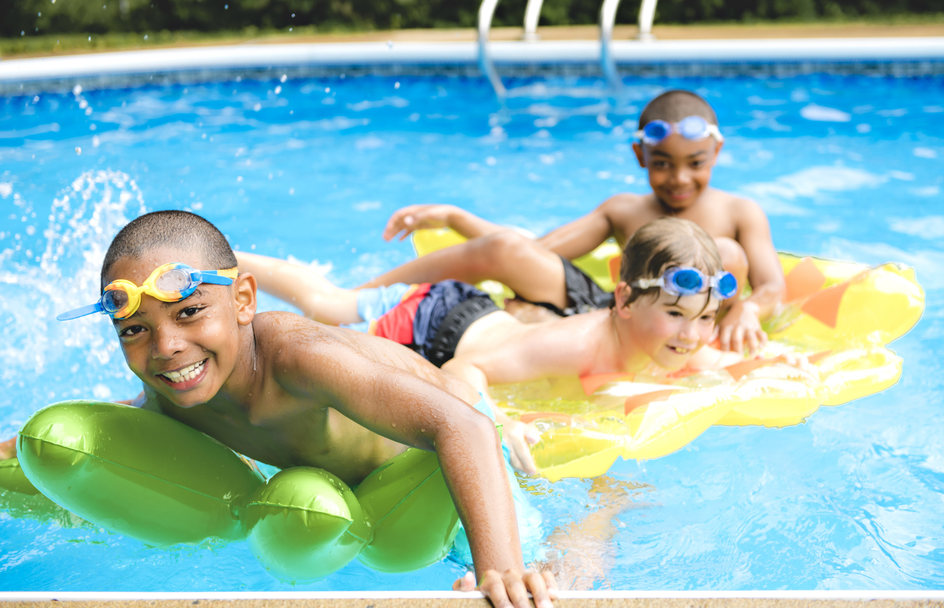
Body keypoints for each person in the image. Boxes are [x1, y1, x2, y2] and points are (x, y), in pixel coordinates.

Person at [0, 210, 556, 608]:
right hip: (346, 491)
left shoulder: (299, 358)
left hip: (449, 453)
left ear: (243, 301)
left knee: (538, 577)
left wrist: (500, 568)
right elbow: (134, 419)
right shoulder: (174, 387)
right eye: (136, 330)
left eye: (190, 313)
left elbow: (462, 425)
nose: (166, 347)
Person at [236, 218, 759, 476]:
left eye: (705, 318)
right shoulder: (578, 342)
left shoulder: (680, 344)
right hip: (430, 320)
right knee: (327, 305)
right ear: (623, 301)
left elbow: (725, 363)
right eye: (674, 315)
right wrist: (496, 420)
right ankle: (228, 262)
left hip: (474, 316)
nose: (691, 335)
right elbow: (468, 366)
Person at [364, 89, 785, 357]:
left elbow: (772, 286)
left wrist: (748, 307)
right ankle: (361, 297)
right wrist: (456, 218)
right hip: (618, 314)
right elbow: (536, 249)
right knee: (506, 251)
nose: (679, 178)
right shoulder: (624, 211)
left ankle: (542, 322)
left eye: (695, 163)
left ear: (717, 151)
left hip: (687, 332)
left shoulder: (739, 212)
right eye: (662, 164)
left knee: (725, 254)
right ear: (641, 157)